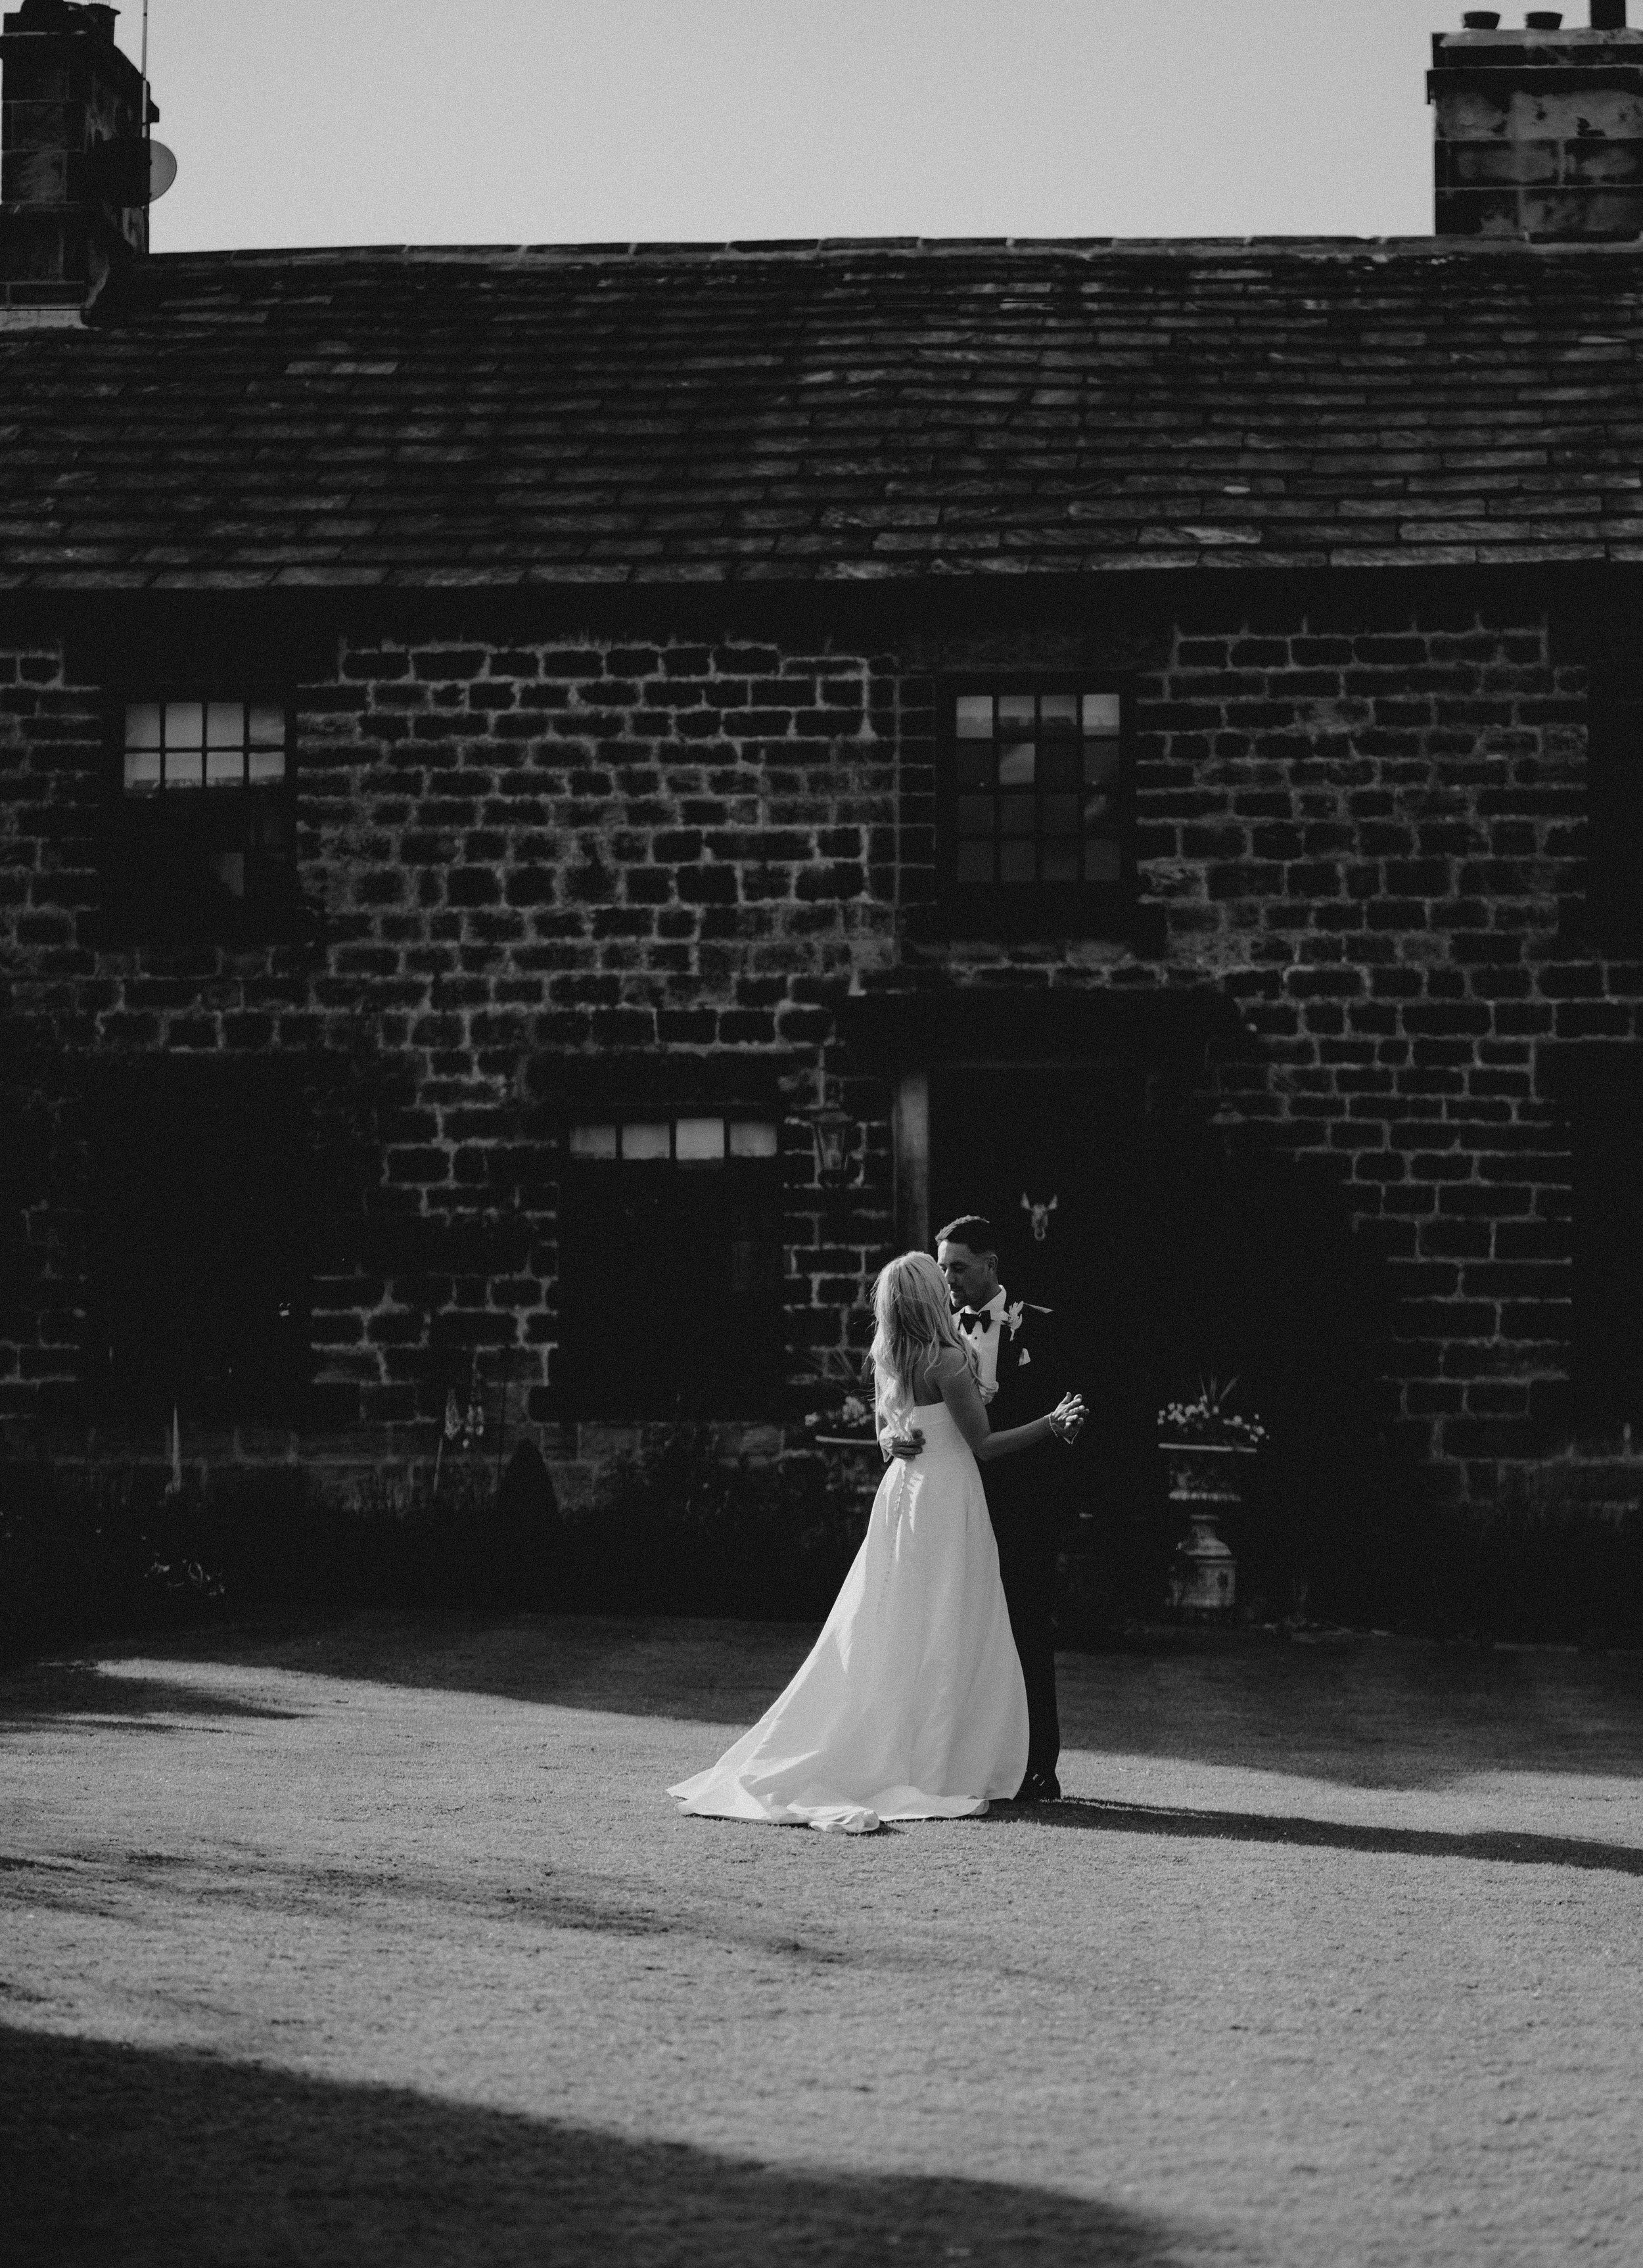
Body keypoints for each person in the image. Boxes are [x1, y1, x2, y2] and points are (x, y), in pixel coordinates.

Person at [668, 1251, 1087, 1834]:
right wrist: (1051, 1422)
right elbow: (985, 1445)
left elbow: (887, 1432)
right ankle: (943, 1755)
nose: (948, 1286)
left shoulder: (890, 1357)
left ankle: (895, 1736)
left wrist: (895, 1439)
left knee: (896, 1620)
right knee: (951, 1621)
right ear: (925, 1298)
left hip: (903, 1496)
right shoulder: (946, 1361)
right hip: (946, 1497)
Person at [934, 1214, 1080, 1803]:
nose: (950, 1280)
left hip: (1024, 1508)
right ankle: (968, 1760)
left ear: (991, 1265)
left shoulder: (1042, 1327)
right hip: (956, 1501)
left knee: (1027, 1632)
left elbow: (1071, 1406)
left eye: (960, 1268)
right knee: (961, 1632)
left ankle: (1039, 1764)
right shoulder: (936, 1329)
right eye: (943, 1268)